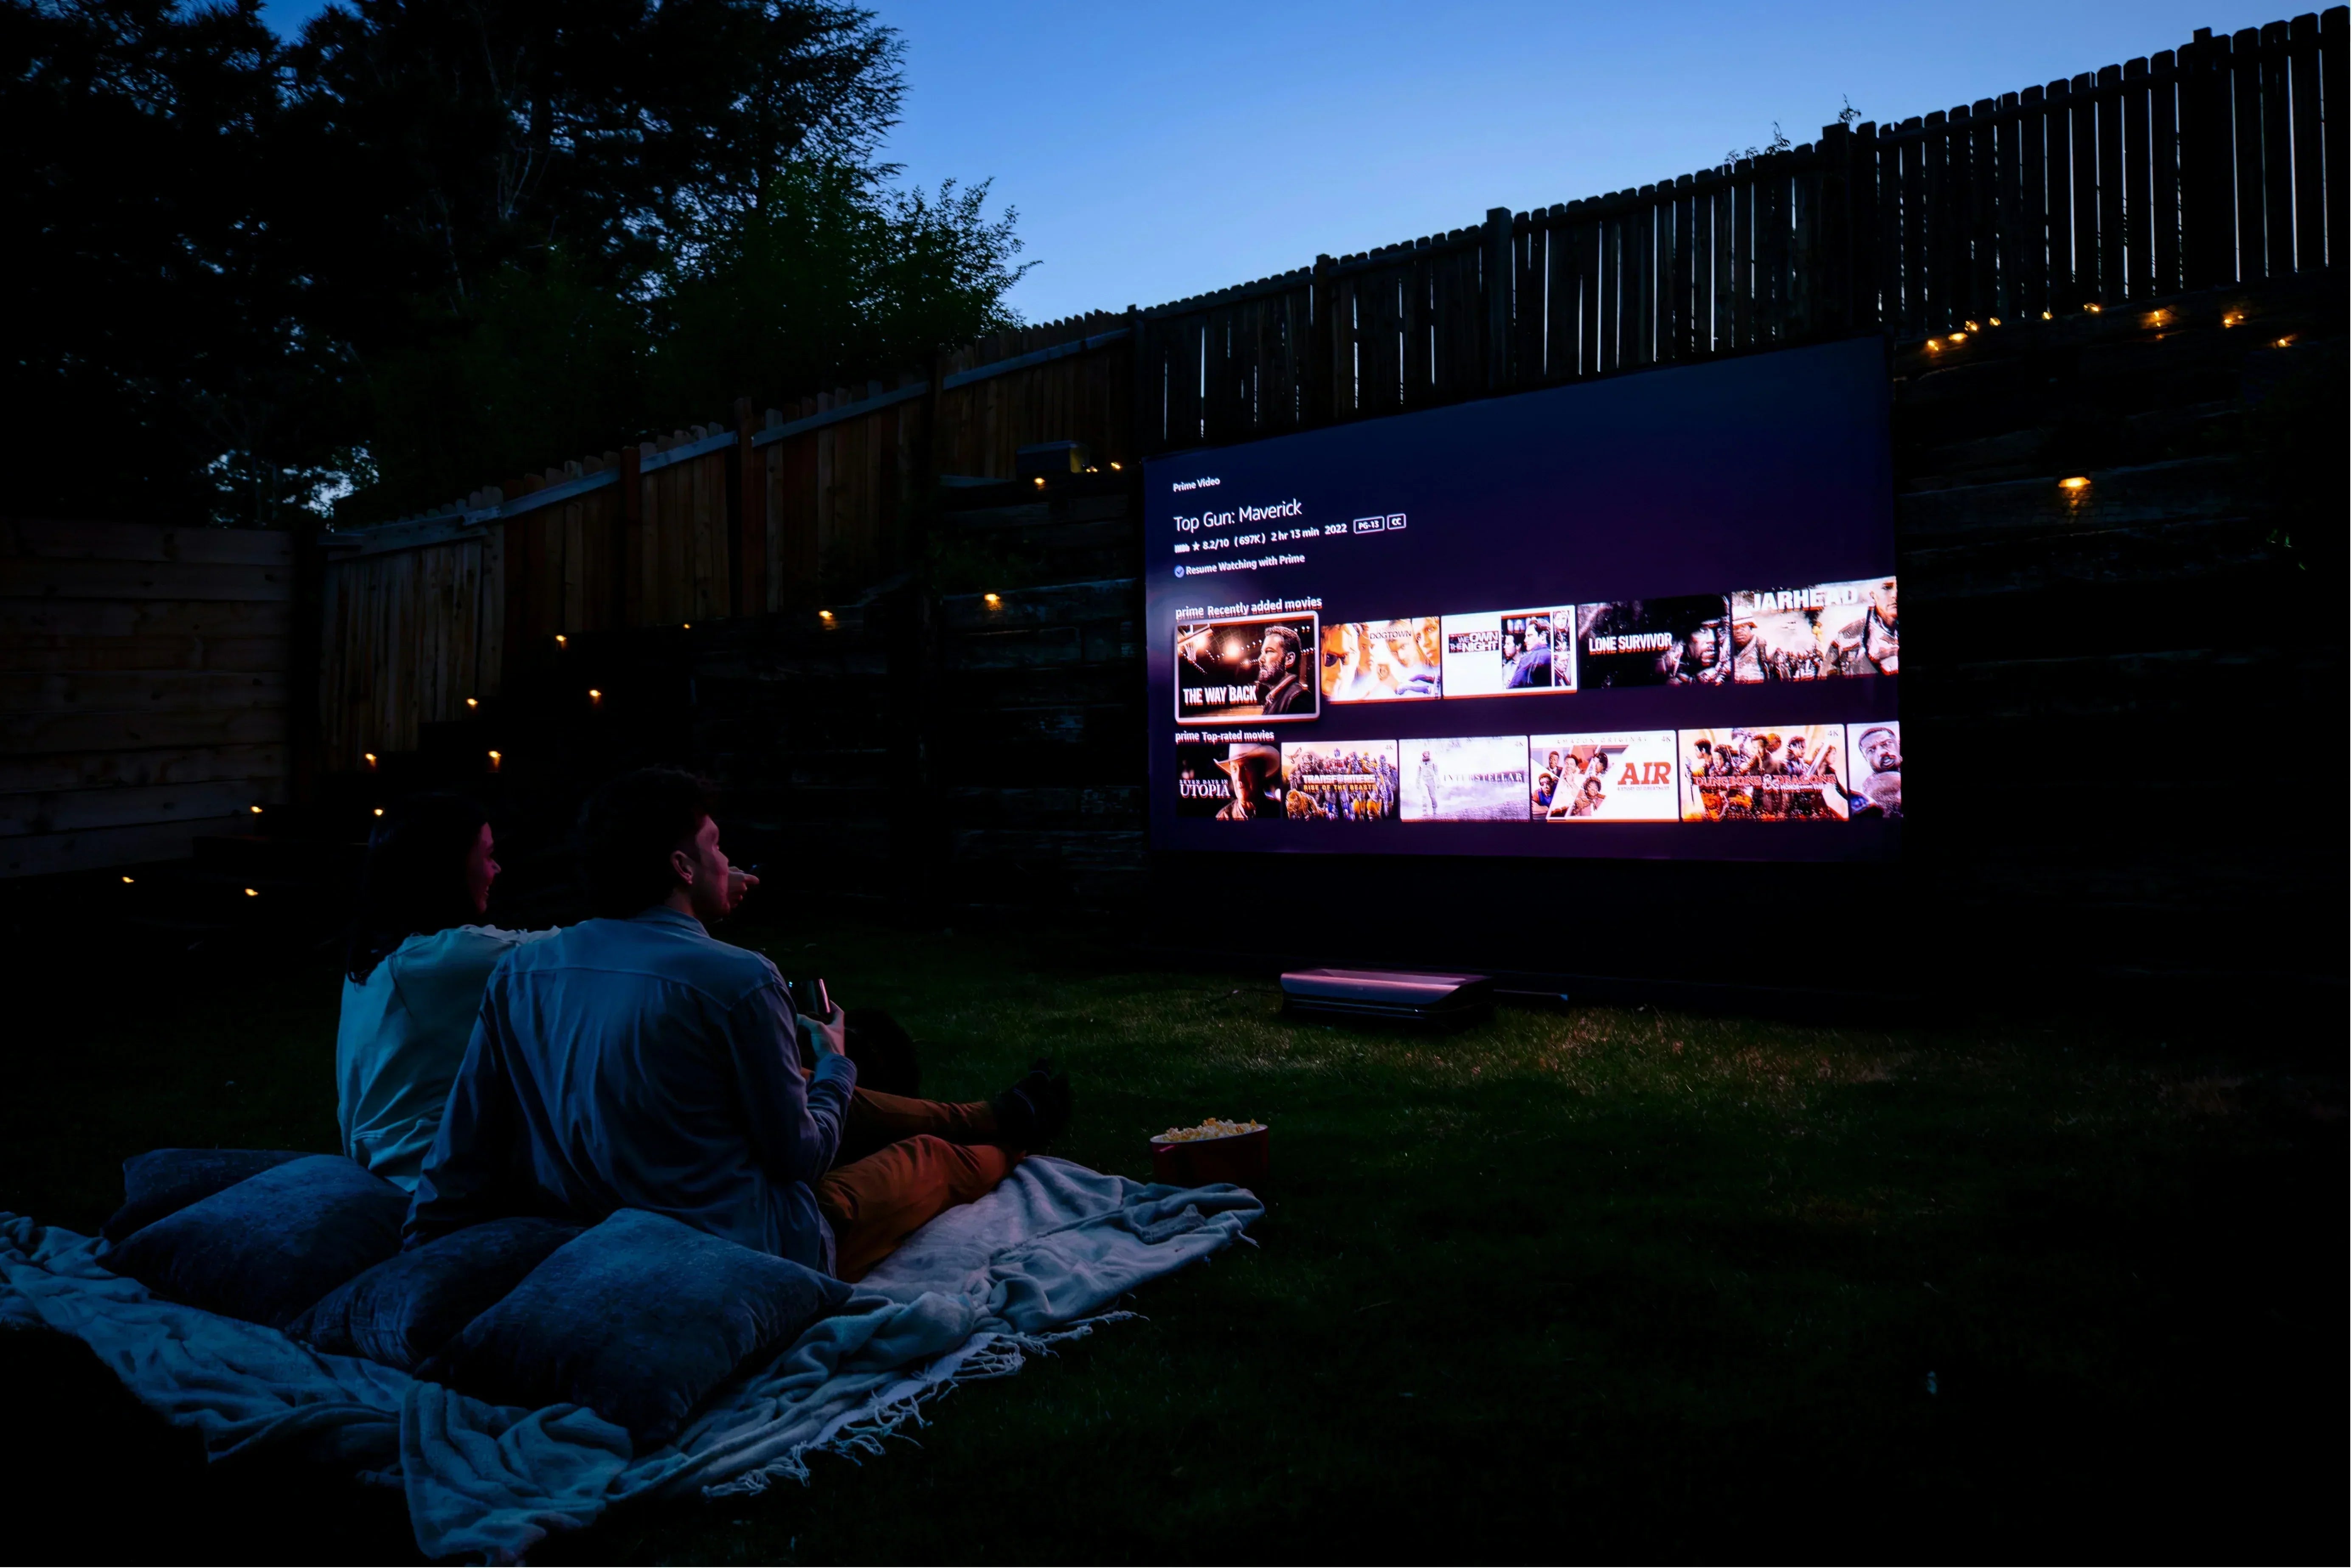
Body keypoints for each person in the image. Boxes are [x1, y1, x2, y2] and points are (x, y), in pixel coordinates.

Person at [406, 768, 1070, 1281]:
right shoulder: (738, 979)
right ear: (681, 865)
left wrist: (416, 1250)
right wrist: (838, 1062)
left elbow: (462, 1143)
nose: (729, 860)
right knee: (927, 1160)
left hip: (599, 1229)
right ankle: (1017, 1143)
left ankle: (994, 1112)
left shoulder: (523, 975)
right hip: (753, 1246)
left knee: (823, 1091)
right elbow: (801, 1157)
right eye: (717, 845)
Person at [336, 795, 560, 1191]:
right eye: (487, 855)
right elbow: (579, 951)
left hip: (381, 1159)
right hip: (422, 1172)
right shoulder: (442, 960)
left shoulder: (377, 958)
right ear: (447, 865)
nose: (496, 869)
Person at [1255, 625, 1313, 715]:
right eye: (1262, 653)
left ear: (1289, 659)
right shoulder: (1278, 698)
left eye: (1269, 652)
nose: (1260, 659)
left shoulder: (1299, 701)